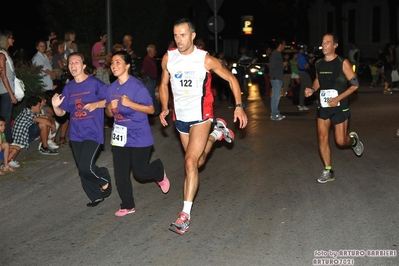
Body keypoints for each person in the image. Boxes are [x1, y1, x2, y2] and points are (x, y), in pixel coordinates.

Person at [158, 18, 248, 235]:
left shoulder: (205, 59)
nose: (179, 40)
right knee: (197, 163)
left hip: (202, 116)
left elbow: (231, 79)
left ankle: (184, 216)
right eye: (176, 35)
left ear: (192, 35)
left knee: (189, 162)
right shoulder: (169, 57)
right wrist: (164, 107)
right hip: (180, 118)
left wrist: (238, 106)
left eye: (183, 35)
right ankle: (218, 133)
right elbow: (163, 84)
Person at [104, 51, 170, 217]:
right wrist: (110, 109)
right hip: (120, 136)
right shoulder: (111, 88)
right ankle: (128, 205)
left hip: (139, 135)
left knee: (140, 172)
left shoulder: (137, 86)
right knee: (120, 174)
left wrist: (130, 103)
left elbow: (151, 109)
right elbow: (109, 113)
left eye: (118, 62)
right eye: (112, 62)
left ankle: (158, 171)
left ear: (127, 66)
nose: (114, 65)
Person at [52, 52, 112, 207]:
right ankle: (96, 196)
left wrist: (96, 104)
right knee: (83, 168)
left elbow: (112, 98)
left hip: (93, 131)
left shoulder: (94, 83)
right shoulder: (69, 88)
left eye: (76, 62)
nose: (73, 65)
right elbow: (62, 113)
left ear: (84, 66)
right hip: (76, 133)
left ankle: (104, 178)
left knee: (86, 166)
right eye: (70, 63)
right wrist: (55, 106)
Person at [304, 33, 364, 184]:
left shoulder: (342, 62)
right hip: (323, 106)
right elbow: (318, 80)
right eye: (323, 42)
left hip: (340, 106)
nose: (324, 45)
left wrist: (337, 98)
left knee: (340, 141)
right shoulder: (318, 63)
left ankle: (354, 141)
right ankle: (328, 170)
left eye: (328, 42)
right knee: (322, 138)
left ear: (335, 45)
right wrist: (312, 89)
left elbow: (355, 85)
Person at [0, 30, 18, 143]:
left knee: (7, 116)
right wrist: (11, 95)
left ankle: (8, 143)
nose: (13, 40)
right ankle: (8, 144)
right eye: (11, 37)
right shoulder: (1, 55)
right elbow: (3, 76)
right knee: (5, 118)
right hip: (6, 90)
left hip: (8, 89)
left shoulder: (5, 53)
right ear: (6, 39)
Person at [269, 39, 287, 121]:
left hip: (278, 77)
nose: (284, 46)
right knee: (276, 96)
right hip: (276, 77)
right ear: (280, 45)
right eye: (284, 44)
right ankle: (274, 114)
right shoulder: (275, 54)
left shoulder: (277, 54)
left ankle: (276, 112)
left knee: (277, 96)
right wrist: (282, 65)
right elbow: (273, 67)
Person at [141, 44, 160, 115]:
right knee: (151, 95)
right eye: (154, 50)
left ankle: (154, 111)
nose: (155, 52)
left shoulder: (150, 59)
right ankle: (155, 111)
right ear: (150, 51)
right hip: (149, 79)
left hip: (152, 79)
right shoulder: (147, 59)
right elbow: (143, 70)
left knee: (152, 95)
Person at [297, 46, 312, 111]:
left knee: (302, 89)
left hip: (302, 73)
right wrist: (309, 61)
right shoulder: (301, 57)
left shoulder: (300, 56)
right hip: (304, 73)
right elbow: (305, 66)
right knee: (309, 87)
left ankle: (301, 104)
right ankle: (304, 103)